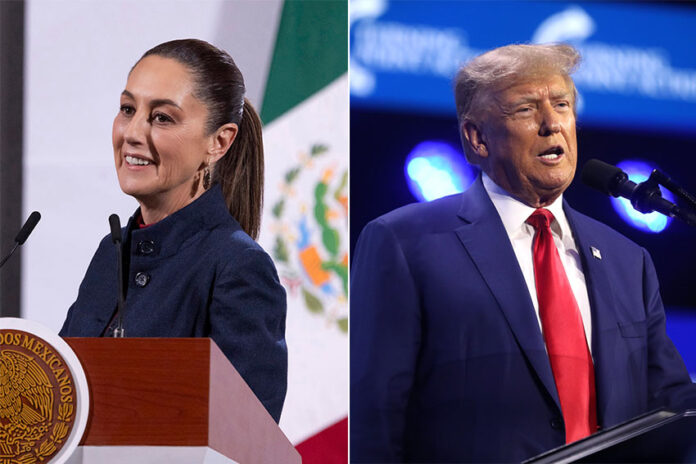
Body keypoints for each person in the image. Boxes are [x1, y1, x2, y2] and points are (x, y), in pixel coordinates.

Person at [350, 43, 696, 462]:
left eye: (563, 104)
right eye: (526, 110)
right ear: (476, 138)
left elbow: (675, 409)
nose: (553, 124)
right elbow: (376, 424)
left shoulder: (628, 261)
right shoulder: (405, 244)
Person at [60, 39, 287, 423]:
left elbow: (247, 439)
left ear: (219, 142)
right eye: (127, 109)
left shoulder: (238, 267)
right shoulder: (112, 252)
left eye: (162, 117)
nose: (132, 132)